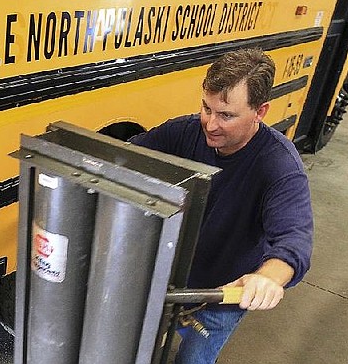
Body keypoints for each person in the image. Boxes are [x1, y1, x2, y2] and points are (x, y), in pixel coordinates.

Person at [130, 48, 313, 364]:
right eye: (206, 107)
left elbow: (293, 242)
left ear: (260, 111)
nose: (210, 124)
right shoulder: (184, 132)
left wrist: (267, 278)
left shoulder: (280, 167)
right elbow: (124, 157)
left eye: (226, 115)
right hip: (166, 278)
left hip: (220, 297)